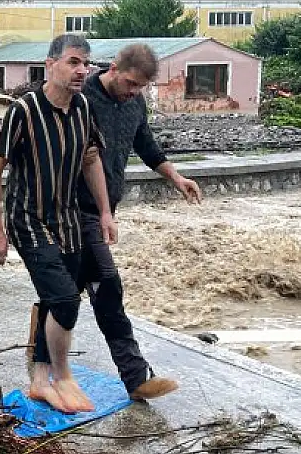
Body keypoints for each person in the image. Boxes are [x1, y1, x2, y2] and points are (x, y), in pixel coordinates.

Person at [0, 33, 116, 414]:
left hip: (69, 221)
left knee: (52, 301)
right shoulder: (24, 110)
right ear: (51, 63)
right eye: (74, 62)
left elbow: (91, 160)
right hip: (28, 219)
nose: (82, 71)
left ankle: (40, 380)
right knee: (65, 301)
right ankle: (62, 374)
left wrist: (105, 212)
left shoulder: (83, 108)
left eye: (85, 64)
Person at [73, 43, 201, 401]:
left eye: (139, 88)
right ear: (113, 68)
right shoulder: (80, 97)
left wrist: (176, 177)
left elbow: (146, 145)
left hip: (103, 209)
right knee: (108, 285)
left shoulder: (134, 104)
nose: (132, 92)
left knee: (69, 289)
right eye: (129, 83)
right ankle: (136, 377)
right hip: (70, 208)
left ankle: (40, 348)